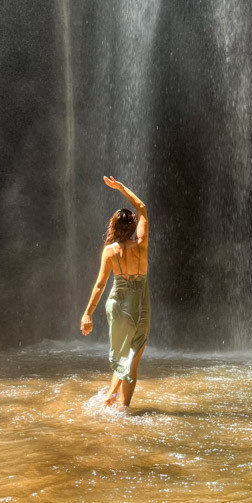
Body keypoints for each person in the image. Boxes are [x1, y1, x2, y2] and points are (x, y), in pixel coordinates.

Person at [80, 175, 150, 408]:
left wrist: (87, 314)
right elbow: (141, 207)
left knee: (121, 355)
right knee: (132, 360)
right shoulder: (141, 245)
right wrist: (120, 187)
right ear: (132, 227)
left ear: (113, 226)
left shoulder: (110, 251)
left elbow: (100, 285)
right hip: (139, 306)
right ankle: (122, 407)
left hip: (118, 304)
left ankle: (111, 396)